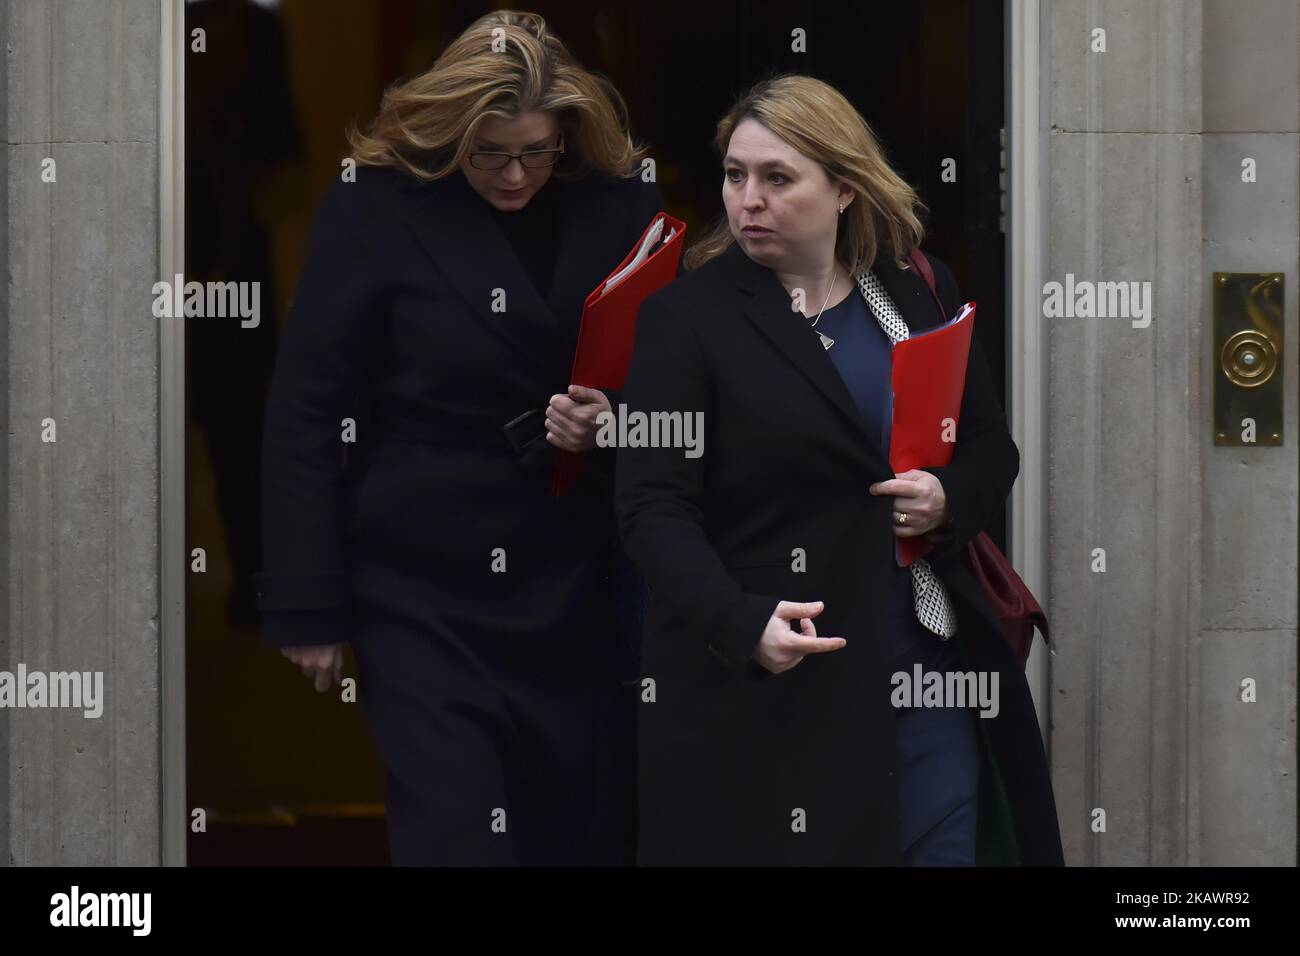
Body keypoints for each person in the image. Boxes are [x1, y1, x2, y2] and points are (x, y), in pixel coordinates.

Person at [616, 74, 1063, 865]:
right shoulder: (686, 320)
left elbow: (993, 449)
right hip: (776, 679)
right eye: (734, 174)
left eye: (777, 178)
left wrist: (946, 499)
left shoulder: (915, 291)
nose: (747, 199)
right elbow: (652, 506)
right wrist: (739, 619)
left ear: (845, 187)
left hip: (924, 665)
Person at [253, 10, 660, 866]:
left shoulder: (620, 205)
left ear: (569, 137)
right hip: (421, 583)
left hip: (570, 580)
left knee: (576, 835)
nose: (516, 174)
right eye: (491, 153)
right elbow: (306, 410)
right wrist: (306, 599)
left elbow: (669, 381)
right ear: (453, 133)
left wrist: (611, 421)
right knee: (457, 830)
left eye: (537, 152)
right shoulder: (377, 206)